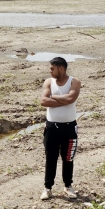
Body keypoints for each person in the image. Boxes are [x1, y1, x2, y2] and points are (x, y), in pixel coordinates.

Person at [39, 57, 81, 200]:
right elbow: (44, 101)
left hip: (69, 128)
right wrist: (64, 99)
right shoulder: (49, 82)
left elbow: (71, 99)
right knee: (51, 158)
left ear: (61, 69)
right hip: (52, 128)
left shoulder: (74, 82)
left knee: (68, 158)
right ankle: (47, 188)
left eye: (52, 68)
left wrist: (55, 97)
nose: (50, 71)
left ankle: (68, 186)